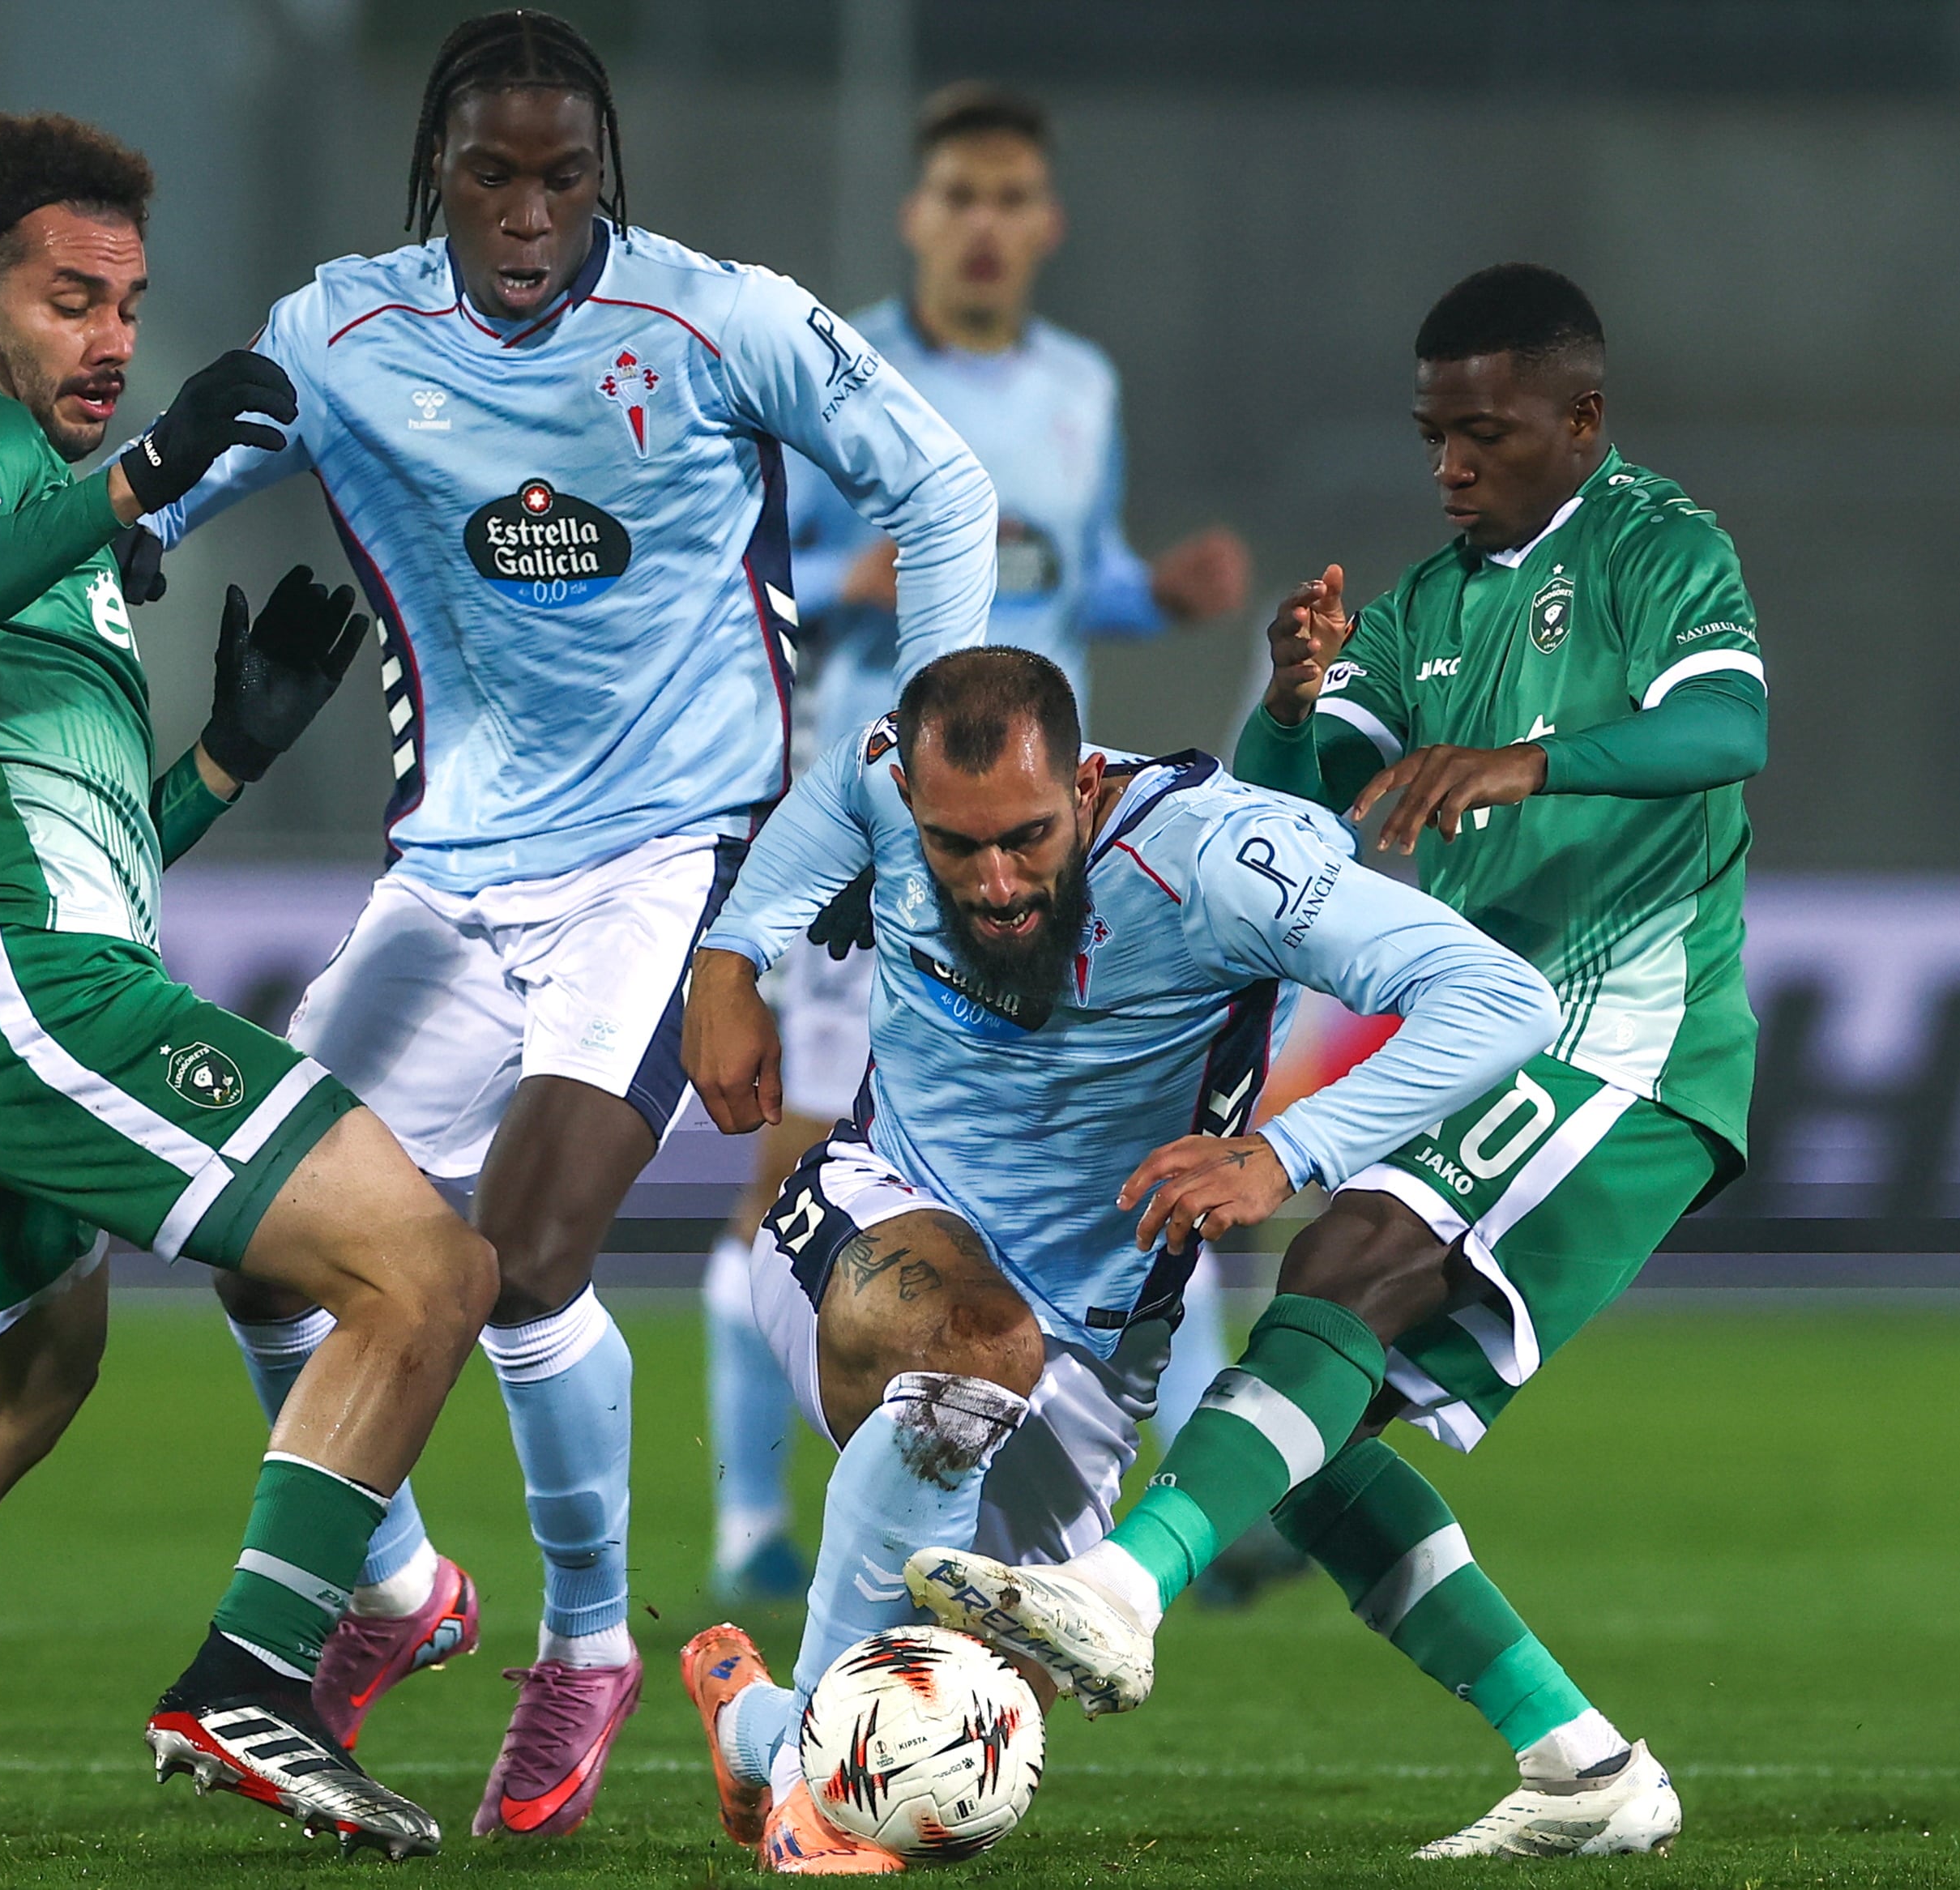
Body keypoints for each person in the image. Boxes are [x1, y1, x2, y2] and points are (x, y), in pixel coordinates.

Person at [136, 10, 996, 1837]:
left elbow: (940, 483)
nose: (530, 215)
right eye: (491, 176)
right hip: (449, 869)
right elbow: (148, 516)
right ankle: (396, 1591)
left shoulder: (712, 319)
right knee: (254, 1246)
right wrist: (106, 517)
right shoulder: (338, 338)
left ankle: (590, 1643)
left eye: (564, 178)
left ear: (607, 180)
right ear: (432, 178)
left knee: (522, 1259)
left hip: (659, 860)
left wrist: (929, 747)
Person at [0, 113, 495, 1859]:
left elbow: (84, 854)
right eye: (72, 298)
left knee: (28, 1382)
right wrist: (126, 492)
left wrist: (224, 764)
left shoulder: (53, 549)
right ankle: (257, 1678)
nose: (115, 338)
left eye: (130, 301)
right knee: (427, 1267)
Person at [907, 263, 1767, 1861]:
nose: (1448, 467)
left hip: (1629, 1038)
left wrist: (1521, 761)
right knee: (1296, 1440)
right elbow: (1282, 816)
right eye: (1433, 435)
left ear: (1580, 420)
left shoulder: (1660, 547)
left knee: (1347, 1269)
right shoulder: (1427, 608)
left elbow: (1724, 733)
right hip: (1505, 1036)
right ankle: (1581, 1769)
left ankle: (1116, 1591)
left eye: (1485, 435)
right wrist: (1298, 706)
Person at [675, 647, 1559, 1871]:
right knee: (976, 1346)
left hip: (1092, 1347)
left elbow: (1498, 997)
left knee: (966, 1740)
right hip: (874, 1214)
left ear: (1086, 785)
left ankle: (768, 1732)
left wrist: (1285, 1150)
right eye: (955, 846)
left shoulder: (1217, 864)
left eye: (1028, 838)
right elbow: (836, 787)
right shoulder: (888, 778)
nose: (992, 882)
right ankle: (813, 1808)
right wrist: (731, 954)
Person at [700, 83, 1254, 1606]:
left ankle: (1121, 1514)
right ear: (917, 216)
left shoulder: (1084, 384)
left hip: (1039, 858)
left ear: (1047, 224)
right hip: (878, 845)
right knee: (804, 1172)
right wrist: (845, 569)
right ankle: (755, 1522)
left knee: (1110, 1159)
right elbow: (746, 578)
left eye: (1014, 198)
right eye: (962, 197)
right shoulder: (841, 374)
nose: (988, 225)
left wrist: (1164, 597)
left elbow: (1066, 582)